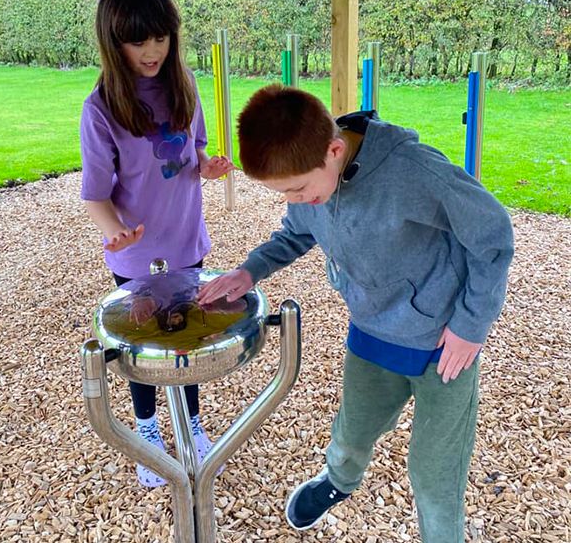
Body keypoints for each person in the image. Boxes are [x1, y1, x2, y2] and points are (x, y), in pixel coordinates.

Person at [197, 84, 514, 542]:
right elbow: (295, 232)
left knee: (435, 471)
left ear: (334, 149)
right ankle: (339, 482)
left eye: (300, 189)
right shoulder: (308, 172)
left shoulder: (413, 171)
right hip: (370, 329)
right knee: (351, 431)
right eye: (284, 193)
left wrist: (471, 324)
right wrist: (250, 272)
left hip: (443, 343)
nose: (298, 199)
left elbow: (493, 234)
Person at [80, 0, 233, 488]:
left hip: (187, 243)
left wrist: (207, 167)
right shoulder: (101, 109)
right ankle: (148, 430)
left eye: (161, 38)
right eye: (138, 40)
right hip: (137, 258)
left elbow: (195, 153)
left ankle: (191, 422)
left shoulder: (183, 83)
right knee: (145, 347)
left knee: (186, 337)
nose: (153, 51)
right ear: (113, 41)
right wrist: (115, 231)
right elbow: (95, 196)